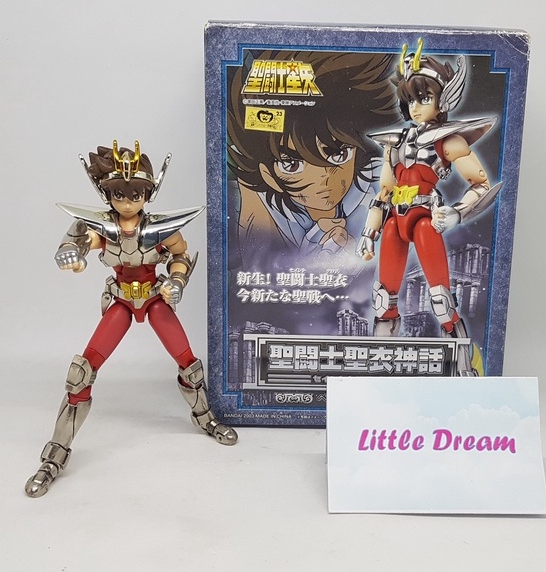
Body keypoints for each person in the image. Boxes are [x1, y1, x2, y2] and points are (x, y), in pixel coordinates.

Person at [25, 141, 237, 498]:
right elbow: (78, 243)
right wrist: (73, 255)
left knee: (189, 364)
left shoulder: (161, 228)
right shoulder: (102, 227)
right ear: (107, 194)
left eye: (135, 194)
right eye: (119, 195)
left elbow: (180, 256)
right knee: (81, 374)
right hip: (121, 302)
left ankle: (205, 418)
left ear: (147, 193)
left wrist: (177, 281)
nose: (127, 202)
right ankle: (55, 455)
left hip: (154, 299)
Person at [357, 39, 501, 375]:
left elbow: (480, 184)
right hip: (394, 223)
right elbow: (384, 192)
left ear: (443, 99)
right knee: (383, 300)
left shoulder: (448, 140)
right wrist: (369, 232)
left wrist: (457, 212)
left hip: (425, 221)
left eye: (424, 98)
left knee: (440, 300)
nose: (415, 107)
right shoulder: (396, 142)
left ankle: (464, 369)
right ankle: (378, 372)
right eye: (410, 100)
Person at [227, 50, 397, 269]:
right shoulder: (264, 200)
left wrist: (355, 257)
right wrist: (311, 254)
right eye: (292, 164)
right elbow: (257, 271)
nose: (324, 179)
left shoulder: (376, 179)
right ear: (268, 175)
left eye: (337, 154)